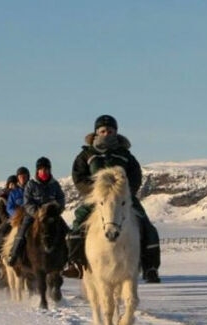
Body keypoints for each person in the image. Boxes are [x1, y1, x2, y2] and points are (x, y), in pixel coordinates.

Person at [68, 114, 161, 283]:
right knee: (76, 226)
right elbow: (78, 177)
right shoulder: (86, 155)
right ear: (96, 133)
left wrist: (125, 192)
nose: (106, 134)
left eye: (110, 131)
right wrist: (96, 191)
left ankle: (150, 267)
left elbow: (135, 176)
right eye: (103, 131)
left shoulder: (125, 155)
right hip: (96, 199)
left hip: (122, 199)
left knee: (147, 226)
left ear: (116, 133)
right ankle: (76, 264)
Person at [5, 157, 66, 266]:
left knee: (66, 231)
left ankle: (70, 259)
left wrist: (58, 209)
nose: (44, 172)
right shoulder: (31, 184)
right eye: (41, 170)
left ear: (50, 170)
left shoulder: (54, 184)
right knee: (22, 231)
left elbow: (61, 198)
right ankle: (13, 255)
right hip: (33, 215)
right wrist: (37, 213)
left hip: (51, 215)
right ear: (37, 171)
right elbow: (27, 201)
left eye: (46, 170)